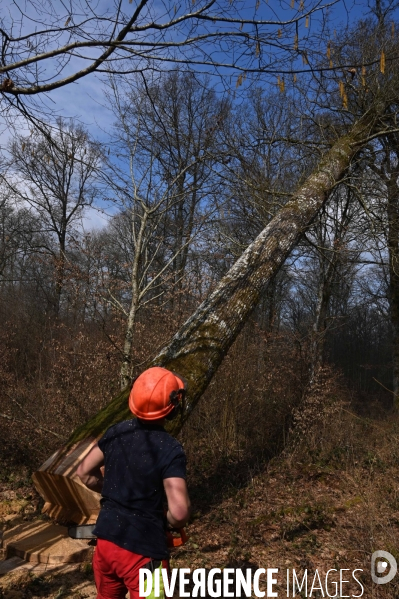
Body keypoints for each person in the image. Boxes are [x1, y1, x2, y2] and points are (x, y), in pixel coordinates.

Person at [76, 366, 191, 599]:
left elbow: (84, 472)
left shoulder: (116, 433)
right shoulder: (170, 449)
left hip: (106, 546)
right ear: (172, 407)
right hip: (144, 553)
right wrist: (164, 517)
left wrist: (115, 491)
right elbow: (179, 513)